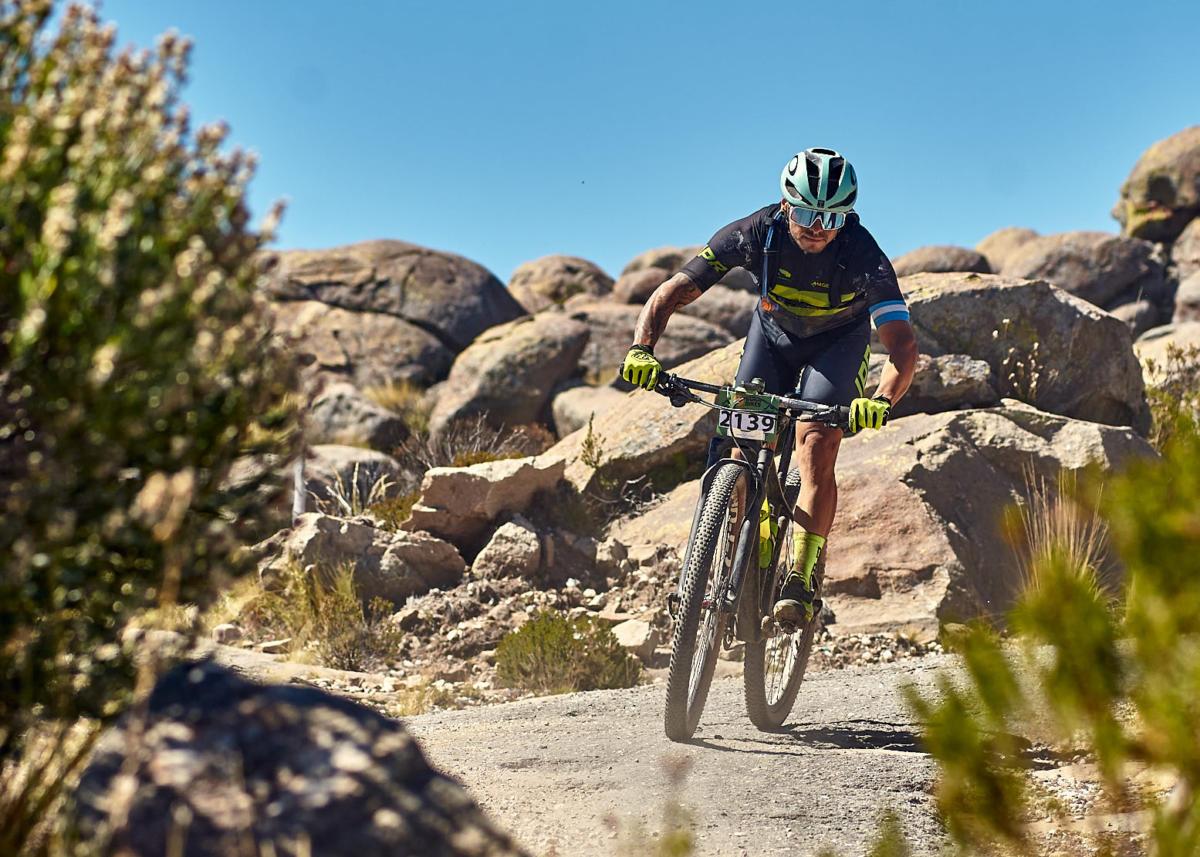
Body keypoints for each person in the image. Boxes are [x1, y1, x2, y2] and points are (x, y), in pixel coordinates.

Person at [620, 148, 918, 629]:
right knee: (740, 443)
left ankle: (800, 576)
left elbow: (902, 344)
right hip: (773, 335)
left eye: (832, 217)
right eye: (806, 213)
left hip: (838, 344)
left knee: (815, 441)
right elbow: (675, 290)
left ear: (848, 217)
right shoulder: (754, 232)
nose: (817, 227)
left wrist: (881, 399)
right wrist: (642, 348)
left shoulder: (865, 255)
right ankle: (739, 543)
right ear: (784, 204)